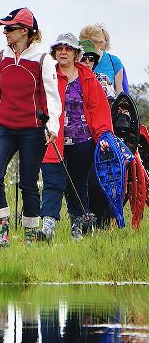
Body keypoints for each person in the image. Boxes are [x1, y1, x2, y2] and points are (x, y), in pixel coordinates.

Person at [0, 7, 61, 248]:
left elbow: (51, 97)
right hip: (4, 126)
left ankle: (29, 239)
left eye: (10, 28)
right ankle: (1, 236)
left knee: (28, 183)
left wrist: (52, 125)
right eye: (5, 28)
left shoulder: (43, 59)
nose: (5, 32)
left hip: (32, 128)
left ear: (25, 31)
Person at [37, 33, 113, 242]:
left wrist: (103, 135)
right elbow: (37, 103)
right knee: (52, 182)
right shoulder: (47, 75)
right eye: (60, 48)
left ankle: (77, 227)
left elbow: (99, 109)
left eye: (68, 49)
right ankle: (48, 227)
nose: (63, 52)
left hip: (82, 141)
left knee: (78, 184)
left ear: (76, 53)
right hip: (52, 138)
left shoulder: (88, 78)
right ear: (54, 52)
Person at [79, 24, 128, 93]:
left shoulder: (114, 62)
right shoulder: (77, 59)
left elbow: (119, 92)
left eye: (90, 43)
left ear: (101, 43)